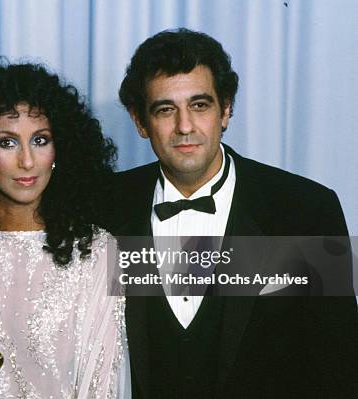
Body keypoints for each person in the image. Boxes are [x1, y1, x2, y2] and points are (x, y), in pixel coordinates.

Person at [113, 28, 357, 398]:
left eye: (200, 105)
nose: (184, 126)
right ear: (139, 122)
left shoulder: (305, 210)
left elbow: (339, 367)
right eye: (165, 109)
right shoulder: (104, 206)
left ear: (226, 110)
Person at [0, 62, 128, 398]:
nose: (27, 161)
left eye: (40, 140)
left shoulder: (95, 250)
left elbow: (104, 383)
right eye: (7, 143)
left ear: (60, 148)